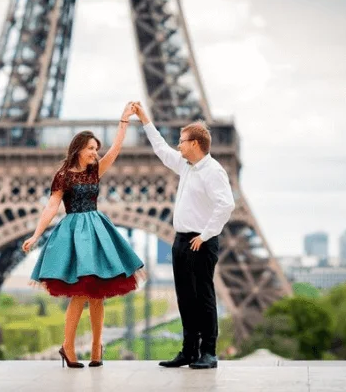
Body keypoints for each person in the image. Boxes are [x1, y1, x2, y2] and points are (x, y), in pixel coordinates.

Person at [22, 102, 145, 369]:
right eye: (91, 148)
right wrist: (35, 235)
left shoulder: (95, 171)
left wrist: (123, 121)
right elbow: (51, 207)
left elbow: (116, 150)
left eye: (96, 149)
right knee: (80, 293)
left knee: (97, 295)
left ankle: (96, 348)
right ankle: (68, 348)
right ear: (78, 149)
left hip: (97, 232)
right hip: (74, 236)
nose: (95, 153)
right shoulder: (63, 176)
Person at [133, 102, 235, 369]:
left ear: (196, 143)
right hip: (180, 240)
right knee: (185, 298)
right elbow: (160, 149)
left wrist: (206, 234)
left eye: (182, 141)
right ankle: (189, 351)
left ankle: (209, 352)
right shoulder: (186, 166)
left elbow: (226, 204)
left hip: (200, 241)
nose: (178, 145)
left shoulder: (213, 171)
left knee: (204, 296)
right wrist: (145, 120)